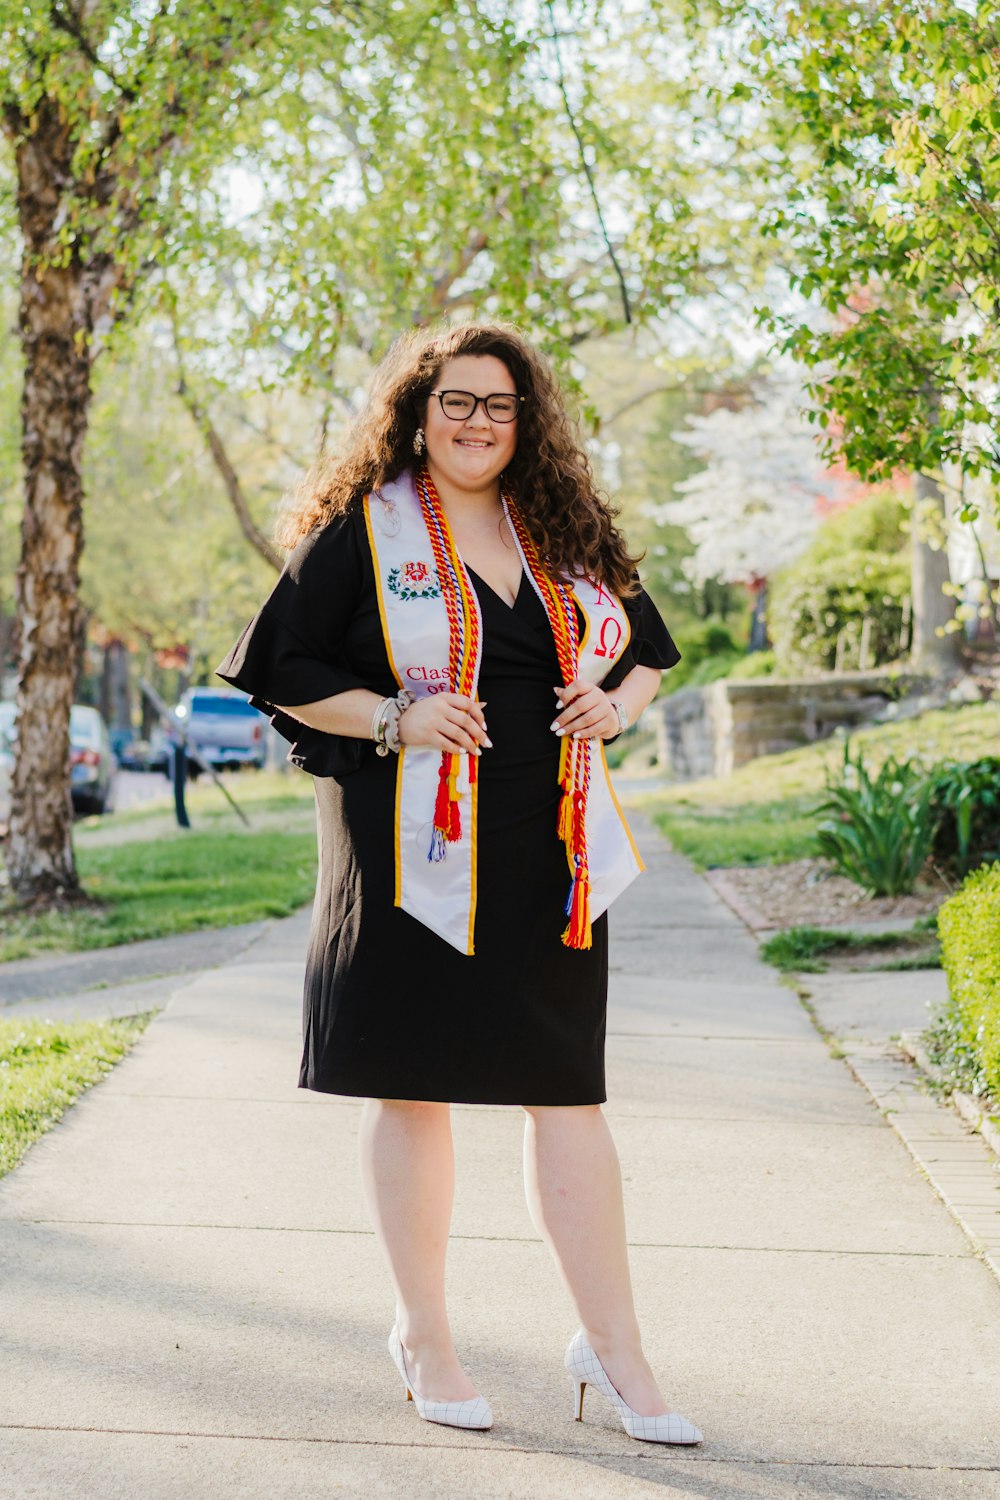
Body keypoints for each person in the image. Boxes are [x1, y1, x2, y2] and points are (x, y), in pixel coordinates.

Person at [217, 321, 703, 1446]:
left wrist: (613, 709)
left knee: (566, 1094)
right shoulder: (364, 530)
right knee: (414, 1085)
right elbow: (281, 669)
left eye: (498, 404)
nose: (477, 421)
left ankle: (612, 1347)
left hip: (550, 853)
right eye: (455, 402)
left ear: (523, 421)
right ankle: (424, 1334)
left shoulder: (564, 532)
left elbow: (646, 656)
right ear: (415, 413)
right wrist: (395, 713)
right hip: (405, 853)